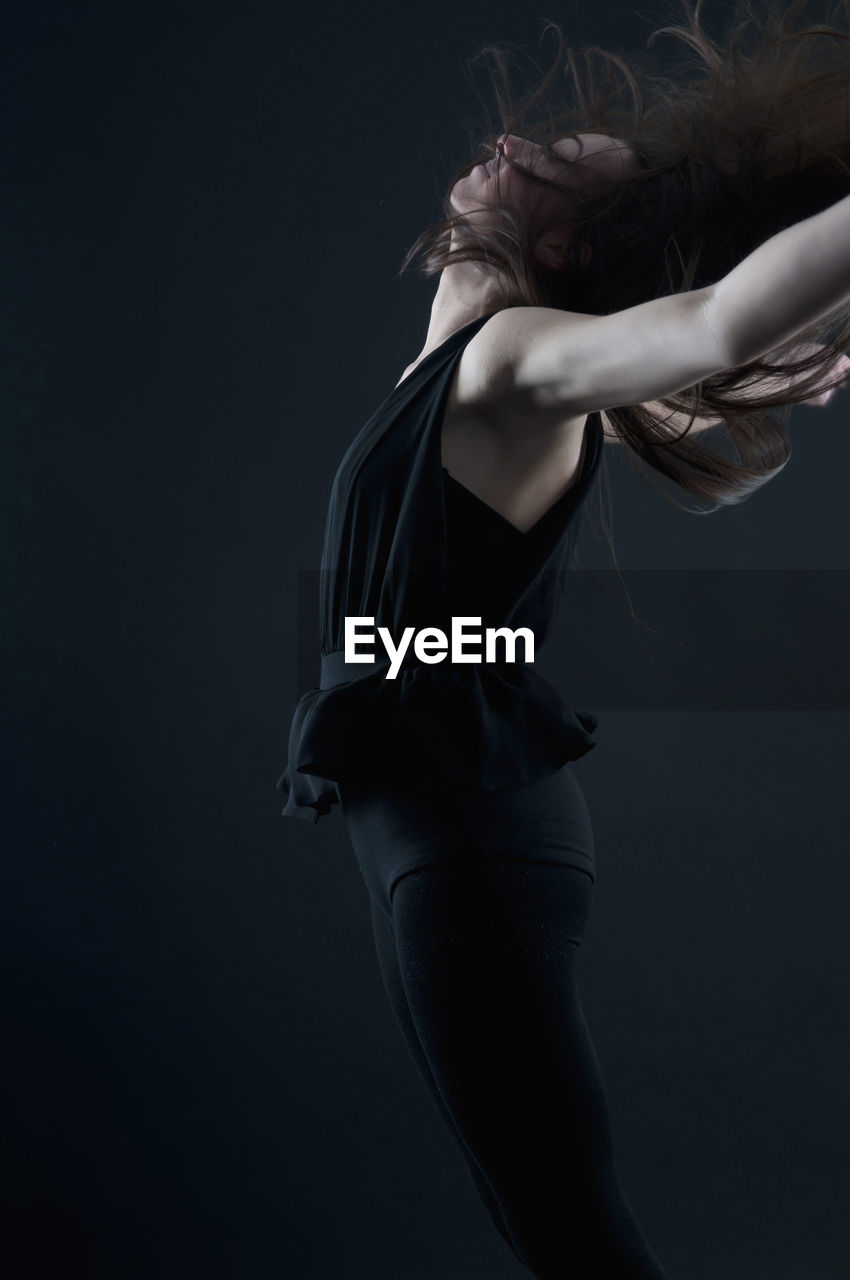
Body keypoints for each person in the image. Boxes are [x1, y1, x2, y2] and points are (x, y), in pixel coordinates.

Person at [275, 3, 850, 1274]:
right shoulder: (466, 375)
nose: (515, 136)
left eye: (557, 153)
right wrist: (761, 359)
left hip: (471, 839)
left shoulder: (511, 366)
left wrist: (753, 341)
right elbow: (699, 352)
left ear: (559, 237)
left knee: (564, 1223)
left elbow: (706, 327)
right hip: (439, 833)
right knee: (545, 1213)